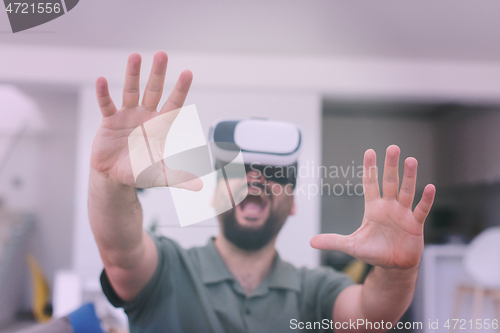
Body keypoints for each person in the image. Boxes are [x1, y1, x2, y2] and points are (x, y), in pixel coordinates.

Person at [89, 51, 436, 333]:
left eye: (275, 172)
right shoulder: (167, 270)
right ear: (214, 194)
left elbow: (369, 317)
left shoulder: (315, 292)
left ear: (294, 203)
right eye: (238, 168)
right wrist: (109, 180)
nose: (255, 179)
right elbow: (120, 252)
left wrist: (399, 271)